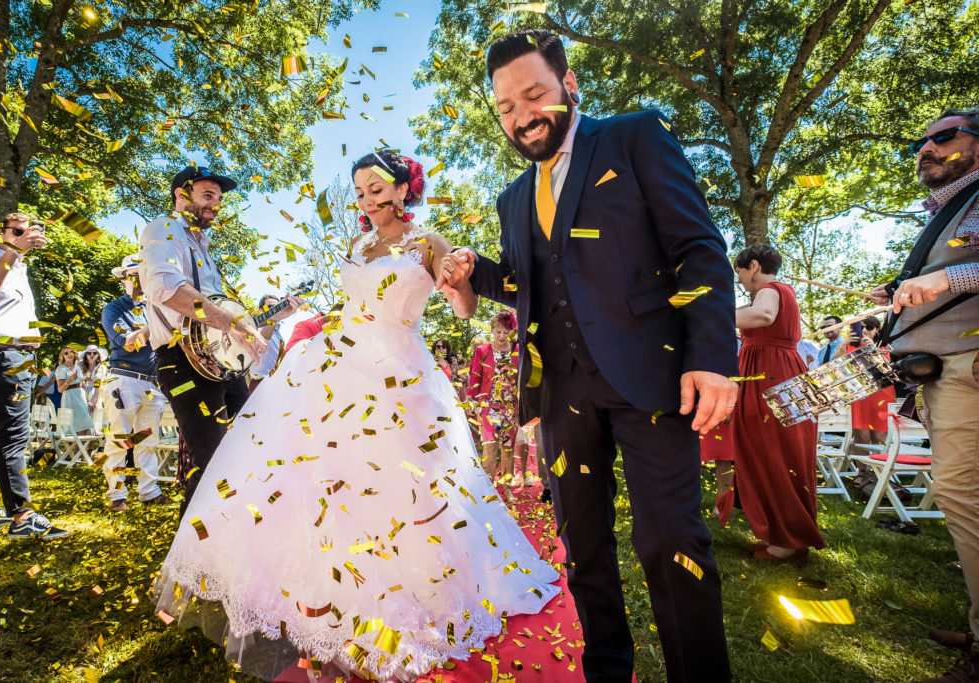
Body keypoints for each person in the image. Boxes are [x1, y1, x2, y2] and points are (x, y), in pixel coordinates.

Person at [154, 150, 558, 682]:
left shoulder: (429, 242)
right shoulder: (358, 243)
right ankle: (325, 595)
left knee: (403, 484)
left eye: (377, 189)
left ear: (402, 188)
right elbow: (353, 308)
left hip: (401, 373)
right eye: (360, 191)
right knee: (324, 481)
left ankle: (401, 595)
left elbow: (463, 308)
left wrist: (460, 280)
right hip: (340, 364)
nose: (367, 201)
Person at [437, 30, 736, 682]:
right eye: (506, 106)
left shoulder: (635, 136)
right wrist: (473, 270)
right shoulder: (512, 198)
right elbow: (525, 283)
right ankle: (608, 670)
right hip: (560, 395)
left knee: (671, 545)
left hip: (650, 377)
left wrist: (711, 354)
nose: (521, 116)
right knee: (584, 548)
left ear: (570, 85)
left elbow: (697, 248)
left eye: (534, 94)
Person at [866, 108, 979, 683]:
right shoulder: (948, 211)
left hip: (971, 362)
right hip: (949, 367)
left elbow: (962, 274)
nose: (926, 148)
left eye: (943, 137)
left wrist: (943, 280)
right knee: (960, 493)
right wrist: (902, 288)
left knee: (959, 492)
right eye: (922, 140)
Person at [138, 166, 301, 514]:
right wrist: (232, 323)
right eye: (207, 196)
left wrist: (266, 320)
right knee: (212, 463)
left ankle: (234, 536)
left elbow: (225, 327)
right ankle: (191, 557)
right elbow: (165, 288)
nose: (215, 206)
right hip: (181, 362)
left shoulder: (203, 247)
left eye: (218, 199)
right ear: (182, 196)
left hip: (222, 367)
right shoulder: (165, 229)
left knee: (245, 448)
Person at [0, 213, 68, 538]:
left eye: (31, 233)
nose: (24, 238)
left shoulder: (19, 268)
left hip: (17, 357)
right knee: (14, 436)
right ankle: (22, 516)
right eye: (17, 232)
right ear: (0, 233)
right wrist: (14, 250)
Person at [725, 245, 826, 562]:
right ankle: (781, 536)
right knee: (774, 452)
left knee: (774, 453)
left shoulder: (770, 289)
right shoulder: (783, 291)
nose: (739, 280)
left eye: (739, 272)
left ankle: (788, 541)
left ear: (753, 266)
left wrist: (710, 313)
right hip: (775, 372)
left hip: (771, 376)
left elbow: (763, 315)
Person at [100, 254, 169, 513]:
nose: (138, 281)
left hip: (153, 384)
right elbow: (127, 342)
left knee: (148, 441)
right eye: (133, 276)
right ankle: (117, 496)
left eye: (143, 275)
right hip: (124, 379)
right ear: (124, 280)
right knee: (120, 440)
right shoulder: (114, 309)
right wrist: (155, 323)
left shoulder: (157, 306)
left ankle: (149, 492)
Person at [466, 310, 523, 502]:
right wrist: (471, 399)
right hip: (489, 406)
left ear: (510, 332)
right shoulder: (483, 351)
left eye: (505, 332)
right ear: (492, 331)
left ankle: (507, 489)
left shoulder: (516, 351)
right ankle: (487, 488)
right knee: (489, 447)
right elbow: (475, 376)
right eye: (498, 332)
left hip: (510, 407)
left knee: (507, 448)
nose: (501, 336)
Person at [835, 316, 898, 490]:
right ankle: (861, 472)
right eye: (860, 328)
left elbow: (887, 366)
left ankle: (878, 472)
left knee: (879, 436)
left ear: (877, 329)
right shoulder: (849, 346)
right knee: (861, 435)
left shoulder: (882, 345)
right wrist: (845, 342)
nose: (864, 331)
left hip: (881, 395)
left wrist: (872, 347)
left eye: (869, 328)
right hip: (859, 394)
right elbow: (833, 362)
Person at [55, 347, 95, 434]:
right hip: (70, 398)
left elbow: (80, 385)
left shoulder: (78, 367)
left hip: (80, 397)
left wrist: (88, 400)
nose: (69, 354)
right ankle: (78, 447)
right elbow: (60, 389)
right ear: (63, 355)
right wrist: (69, 380)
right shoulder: (61, 369)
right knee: (75, 427)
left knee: (85, 425)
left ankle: (85, 447)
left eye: (71, 352)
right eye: (66, 353)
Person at [80, 344, 108, 417]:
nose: (92, 355)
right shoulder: (80, 366)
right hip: (82, 394)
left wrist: (97, 400)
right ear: (86, 355)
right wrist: (86, 380)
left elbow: (99, 385)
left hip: (95, 394)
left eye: (94, 353)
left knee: (96, 420)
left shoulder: (102, 368)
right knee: (83, 420)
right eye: (89, 353)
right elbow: (78, 384)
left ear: (98, 355)